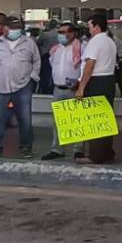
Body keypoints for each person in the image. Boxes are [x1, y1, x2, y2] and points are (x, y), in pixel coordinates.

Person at [0, 16, 41, 159]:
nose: (15, 31)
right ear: (4, 28)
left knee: (25, 118)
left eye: (17, 28)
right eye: (12, 28)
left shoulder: (29, 43)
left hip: (23, 85)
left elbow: (37, 61)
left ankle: (26, 147)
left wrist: (33, 79)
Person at [77, 13, 119, 164]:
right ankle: (107, 152)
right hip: (108, 80)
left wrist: (81, 87)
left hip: (96, 81)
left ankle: (96, 155)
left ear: (96, 26)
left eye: (89, 26)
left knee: (94, 119)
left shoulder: (96, 42)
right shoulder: (110, 41)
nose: (88, 30)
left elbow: (90, 65)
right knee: (105, 118)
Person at [43, 22, 84, 161]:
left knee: (77, 120)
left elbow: (85, 67)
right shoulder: (56, 49)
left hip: (74, 89)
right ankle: (58, 149)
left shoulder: (81, 48)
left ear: (72, 34)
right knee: (58, 121)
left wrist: (78, 82)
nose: (60, 35)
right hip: (58, 88)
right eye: (59, 32)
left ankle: (78, 149)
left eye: (63, 32)